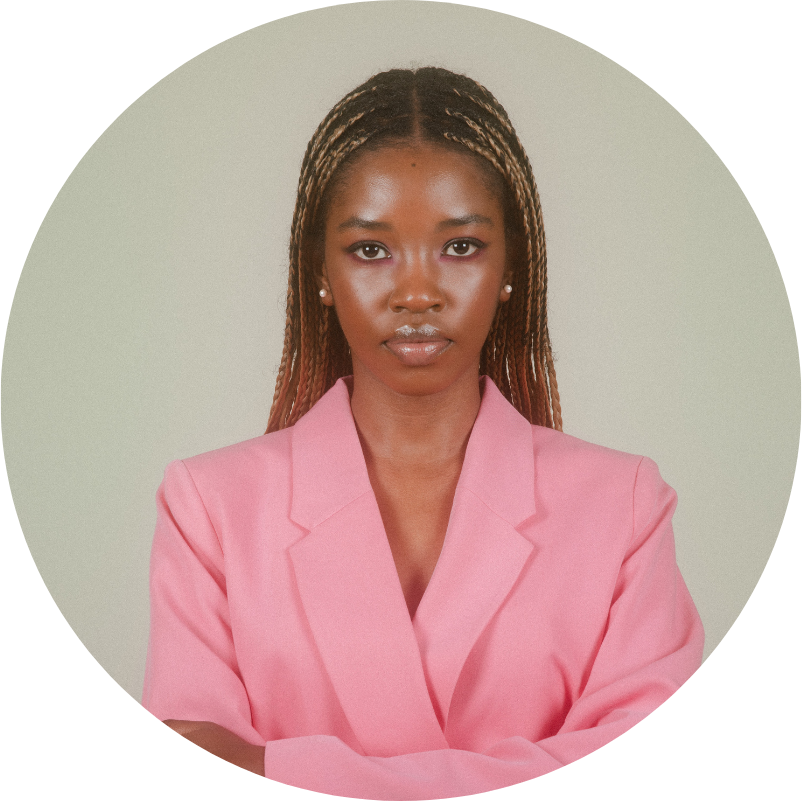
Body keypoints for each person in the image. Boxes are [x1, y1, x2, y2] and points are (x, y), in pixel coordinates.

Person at [143, 67, 703, 799]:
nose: (417, 292)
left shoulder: (624, 505)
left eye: (461, 246)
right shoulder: (209, 508)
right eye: (370, 249)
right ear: (319, 269)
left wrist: (271, 767)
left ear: (511, 266)